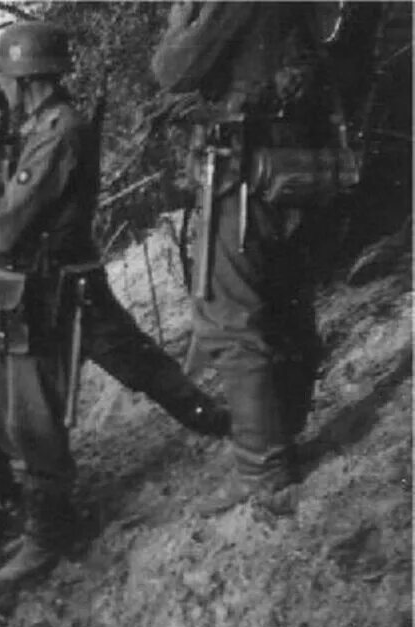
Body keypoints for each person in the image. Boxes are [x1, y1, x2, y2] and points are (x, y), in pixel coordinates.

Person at [0, 22, 231, 595]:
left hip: (58, 289)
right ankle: (221, 421)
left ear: (24, 80)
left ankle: (49, 535)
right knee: (137, 364)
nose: (1, 93)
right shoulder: (41, 128)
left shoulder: (58, 132)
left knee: (37, 410)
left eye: (5, 80)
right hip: (54, 283)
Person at [152, 3, 330, 516]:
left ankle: (263, 472)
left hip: (243, 177)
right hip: (291, 173)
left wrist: (182, 16)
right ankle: (286, 440)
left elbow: (173, 70)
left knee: (232, 322)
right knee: (285, 309)